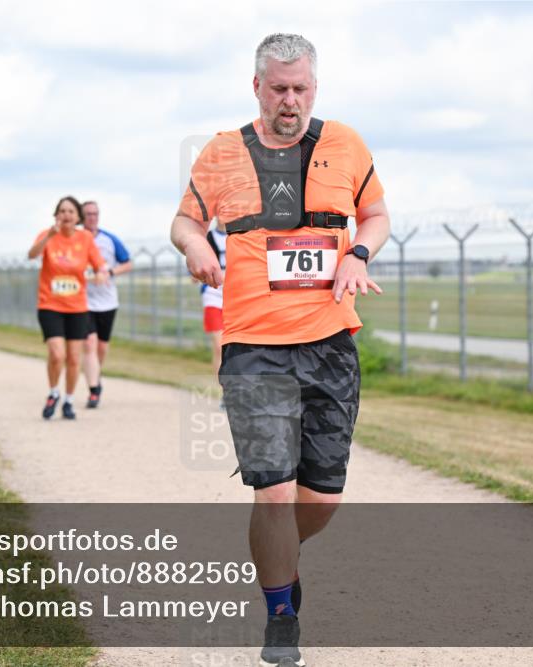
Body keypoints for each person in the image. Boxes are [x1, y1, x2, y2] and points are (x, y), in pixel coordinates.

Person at [169, 33, 390, 667]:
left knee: (319, 498)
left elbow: (375, 215)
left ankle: (282, 564)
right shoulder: (220, 152)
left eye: (301, 89)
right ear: (257, 86)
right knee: (272, 492)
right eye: (279, 89)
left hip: (329, 343)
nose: (290, 101)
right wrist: (195, 245)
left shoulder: (346, 143)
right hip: (253, 347)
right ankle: (281, 613)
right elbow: (184, 220)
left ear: (314, 88)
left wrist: (356, 253)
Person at [28, 196, 109, 420]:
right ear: (56, 216)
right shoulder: (47, 235)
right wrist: (49, 238)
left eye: (71, 212)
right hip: (50, 304)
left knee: (74, 358)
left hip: (77, 307)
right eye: (62, 211)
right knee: (57, 353)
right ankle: (54, 392)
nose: (66, 215)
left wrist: (101, 273)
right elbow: (32, 255)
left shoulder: (85, 239)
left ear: (78, 218)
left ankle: (69, 400)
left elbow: (99, 264)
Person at [79, 200, 132, 408]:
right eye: (88, 214)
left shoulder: (110, 239)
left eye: (95, 214)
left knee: (101, 347)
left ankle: (96, 377)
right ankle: (93, 390)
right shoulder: (76, 239)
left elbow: (128, 263)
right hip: (83, 301)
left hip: (107, 300)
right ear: (82, 218)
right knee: (89, 344)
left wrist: (109, 272)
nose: (92, 217)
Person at [200, 224, 227, 382]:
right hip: (213, 294)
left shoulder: (239, 234)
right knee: (219, 346)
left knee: (232, 347)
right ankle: (224, 391)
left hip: (235, 293)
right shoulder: (208, 238)